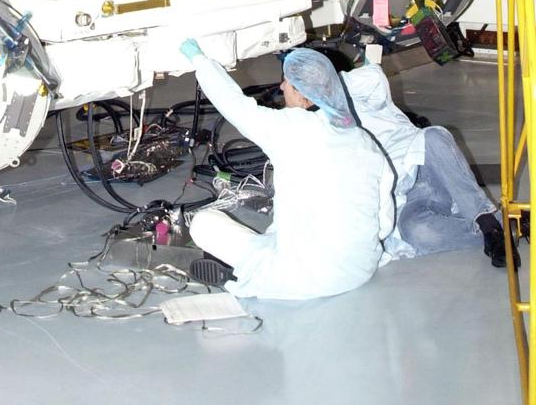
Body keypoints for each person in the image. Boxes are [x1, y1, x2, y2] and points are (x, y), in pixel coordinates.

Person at [180, 41, 395, 300]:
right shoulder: (363, 140)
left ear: (305, 97)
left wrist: (200, 60)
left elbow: (233, 104)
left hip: (306, 278)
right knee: (281, 232)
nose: (281, 87)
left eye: (288, 83)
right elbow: (384, 221)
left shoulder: (290, 128)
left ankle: (239, 274)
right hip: (362, 268)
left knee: (203, 224)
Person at [344, 60, 518, 269]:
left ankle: (488, 225)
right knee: (417, 232)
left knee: (433, 137)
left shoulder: (361, 97)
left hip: (426, 163)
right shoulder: (320, 128)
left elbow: (375, 77)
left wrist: (330, 87)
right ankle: (507, 226)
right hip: (403, 195)